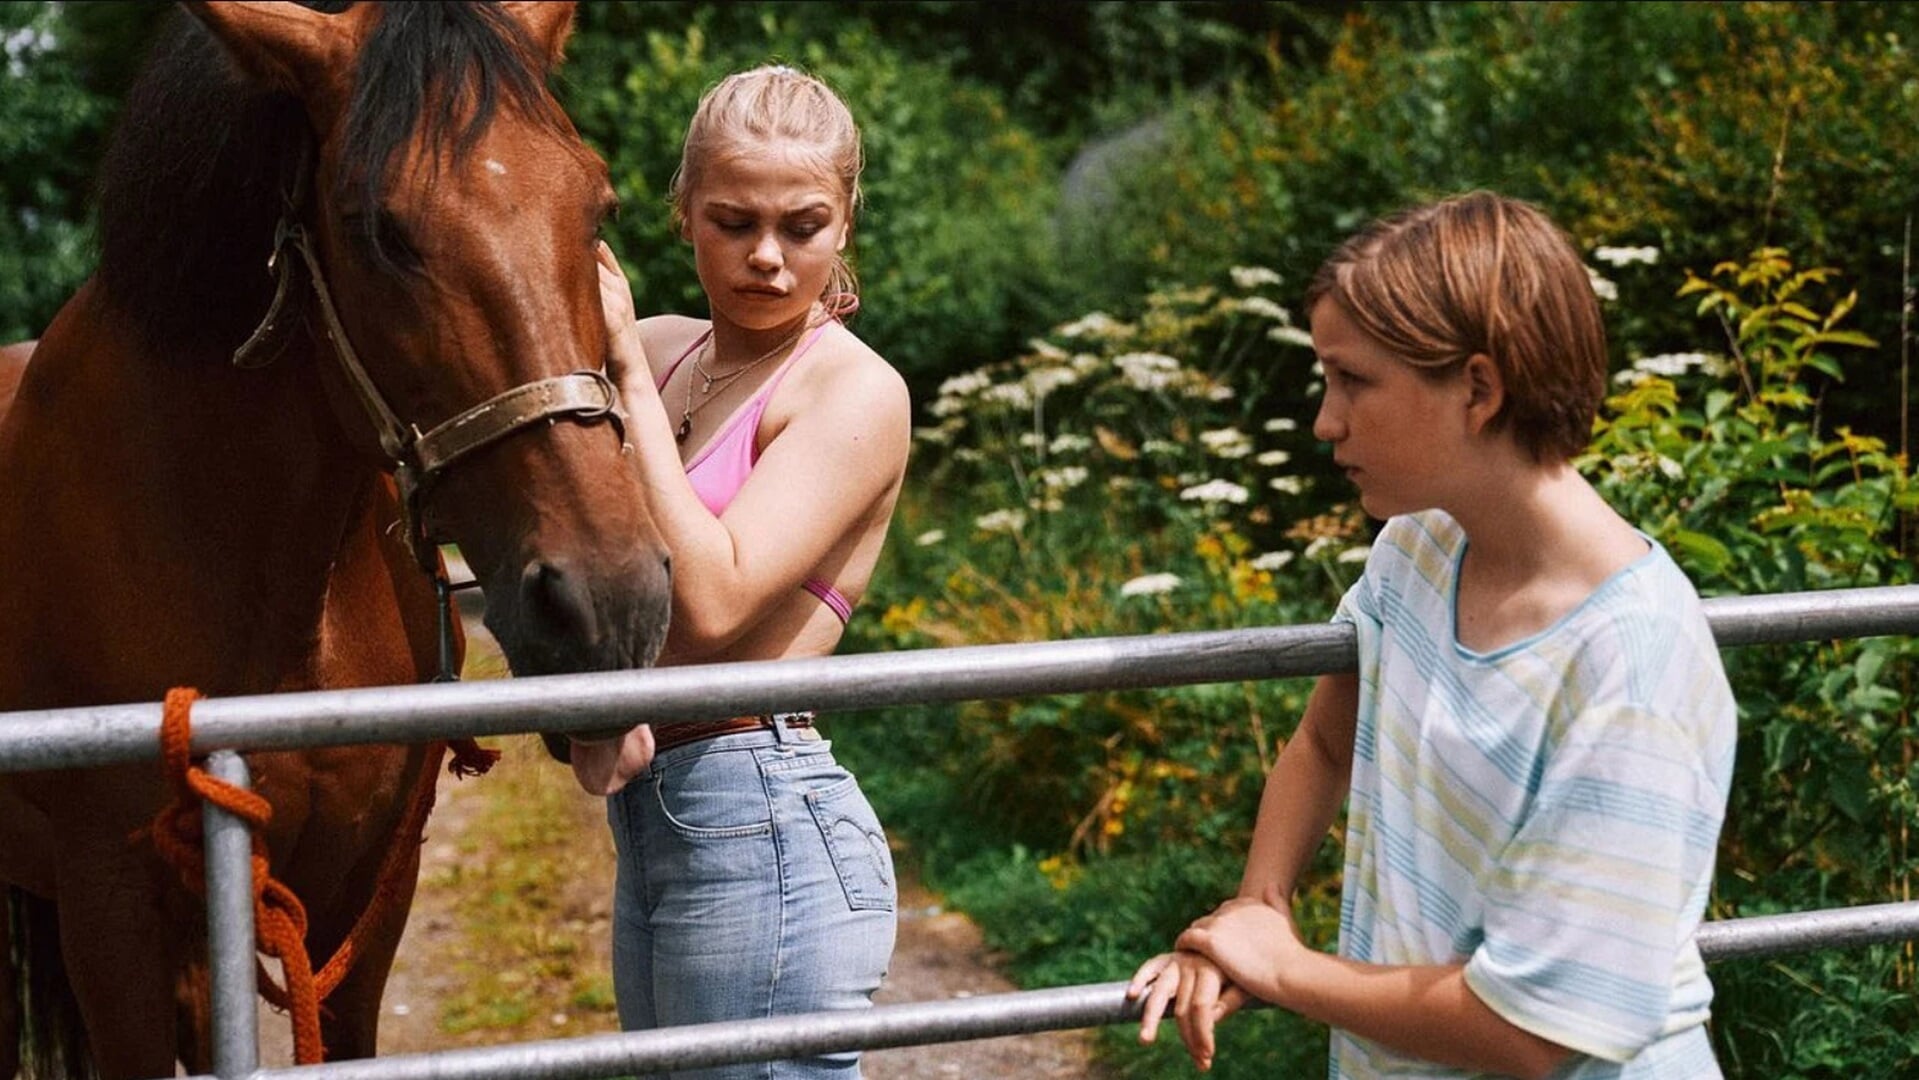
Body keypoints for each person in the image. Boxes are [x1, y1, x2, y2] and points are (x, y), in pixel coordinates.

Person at [1127, 191, 1736, 1078]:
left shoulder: (1630, 662)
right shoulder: (1417, 549)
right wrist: (1253, 910)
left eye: (1353, 381)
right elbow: (1324, 742)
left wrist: (1284, 968)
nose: (1324, 420)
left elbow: (1534, 1033)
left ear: (1478, 389)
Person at [571, 65, 911, 1078]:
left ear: (844, 224)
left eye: (801, 226)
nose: (765, 256)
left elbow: (712, 602)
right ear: (681, 216)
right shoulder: (668, 350)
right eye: (732, 221)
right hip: (659, 819)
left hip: (761, 812)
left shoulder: (852, 389)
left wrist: (624, 379)